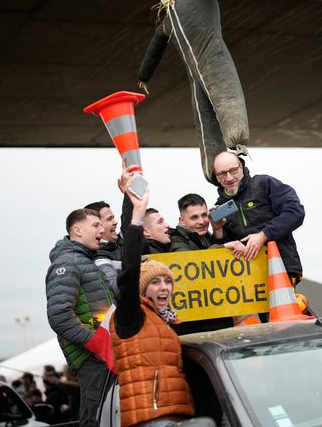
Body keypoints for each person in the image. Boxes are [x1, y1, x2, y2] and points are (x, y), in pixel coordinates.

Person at [111, 180, 195, 427]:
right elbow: (129, 270)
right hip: (150, 418)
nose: (164, 288)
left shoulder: (168, 320)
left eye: (167, 282)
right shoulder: (131, 316)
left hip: (176, 414)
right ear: (142, 288)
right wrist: (135, 212)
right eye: (156, 282)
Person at [45, 208, 116, 427]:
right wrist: (96, 342)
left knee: (106, 415)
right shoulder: (67, 263)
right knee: (95, 417)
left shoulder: (84, 261)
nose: (101, 230)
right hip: (91, 357)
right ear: (77, 230)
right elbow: (59, 315)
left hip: (102, 353)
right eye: (95, 225)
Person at [212, 151, 305, 285]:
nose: (229, 177)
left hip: (281, 268)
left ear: (242, 167)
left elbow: (295, 212)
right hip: (245, 277)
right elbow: (223, 250)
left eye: (233, 170)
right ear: (216, 176)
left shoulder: (264, 183)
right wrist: (217, 231)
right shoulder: (220, 207)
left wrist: (264, 235)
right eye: (222, 174)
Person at [169, 193, 245, 334]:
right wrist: (224, 247)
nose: (202, 221)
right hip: (197, 325)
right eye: (194, 217)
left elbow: (220, 264)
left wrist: (217, 229)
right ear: (182, 220)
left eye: (204, 215)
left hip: (216, 316)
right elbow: (193, 264)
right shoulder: (177, 240)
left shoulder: (204, 236)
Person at [84, 200, 123, 292]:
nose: (115, 222)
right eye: (109, 219)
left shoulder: (121, 241)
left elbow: (130, 219)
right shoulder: (99, 256)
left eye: (113, 218)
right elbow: (115, 288)